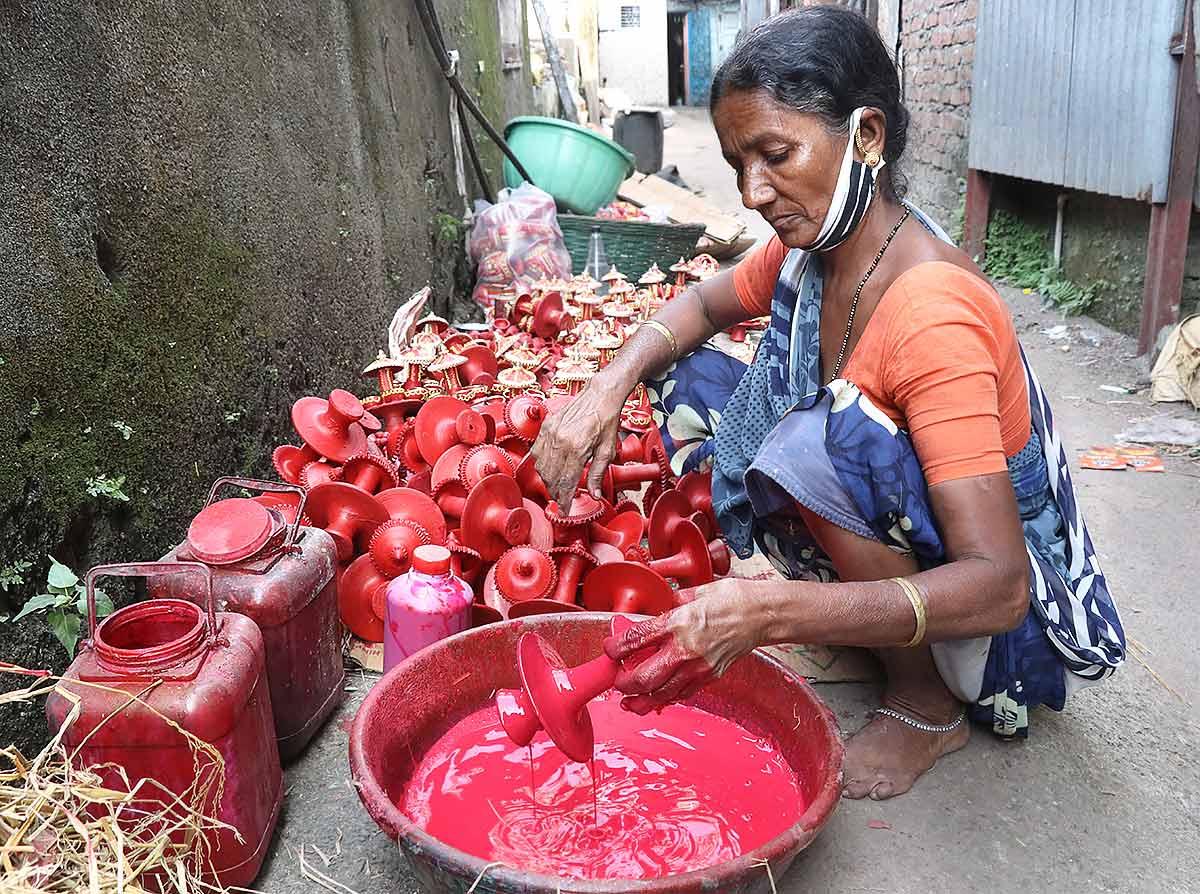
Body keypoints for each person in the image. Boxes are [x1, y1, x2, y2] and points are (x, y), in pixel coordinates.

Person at [530, 6, 1125, 800]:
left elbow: (998, 584)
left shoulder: (930, 311)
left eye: (775, 155)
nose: (751, 192)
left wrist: (770, 614)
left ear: (867, 136)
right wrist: (604, 387)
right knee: (687, 379)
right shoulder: (813, 252)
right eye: (739, 162)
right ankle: (852, 614)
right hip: (913, 538)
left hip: (997, 633)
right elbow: (699, 310)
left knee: (810, 444)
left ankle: (925, 704)